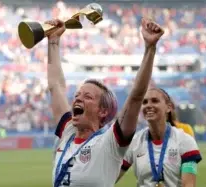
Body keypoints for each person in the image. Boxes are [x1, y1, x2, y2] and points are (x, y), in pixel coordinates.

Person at [47, 18, 164, 187]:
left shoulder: (110, 142)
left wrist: (150, 48)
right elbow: (56, 86)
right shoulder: (68, 131)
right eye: (78, 95)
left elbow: (136, 96)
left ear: (102, 111)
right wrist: (53, 41)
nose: (78, 98)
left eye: (87, 96)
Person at [117, 87, 202, 187]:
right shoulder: (134, 142)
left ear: (168, 107)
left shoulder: (185, 140)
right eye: (144, 102)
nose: (148, 105)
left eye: (155, 101)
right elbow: (111, 177)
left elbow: (188, 185)